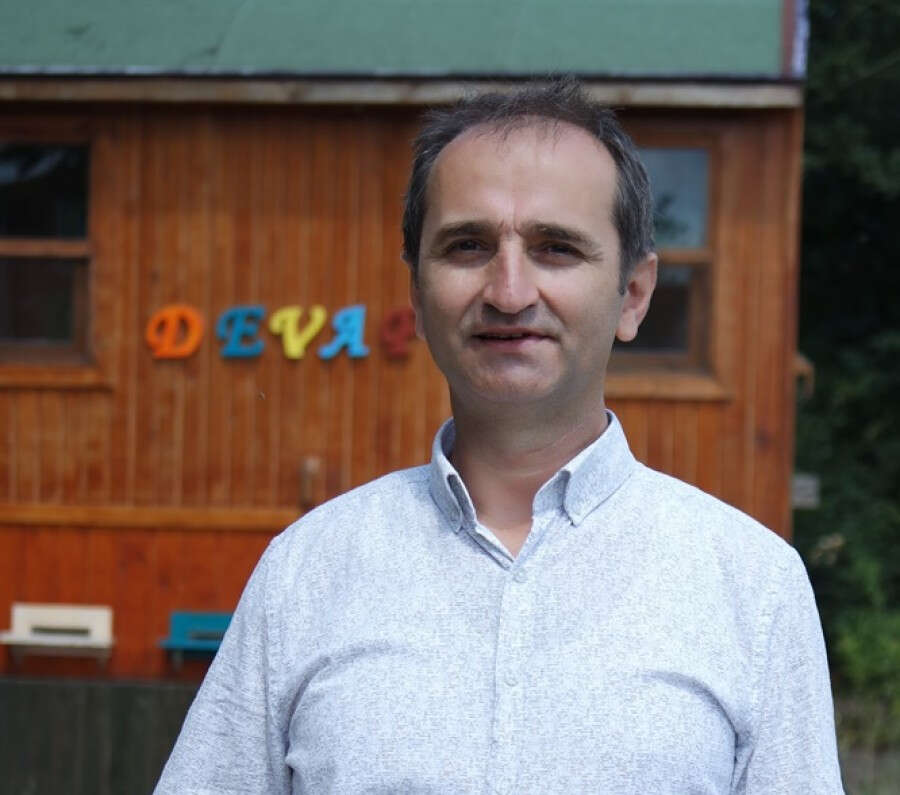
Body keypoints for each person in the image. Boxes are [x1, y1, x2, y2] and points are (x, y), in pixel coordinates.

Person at [156, 80, 844, 794]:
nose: (509, 292)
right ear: (417, 295)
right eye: (468, 246)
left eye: (556, 248)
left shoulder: (753, 586)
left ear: (634, 295)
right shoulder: (305, 573)